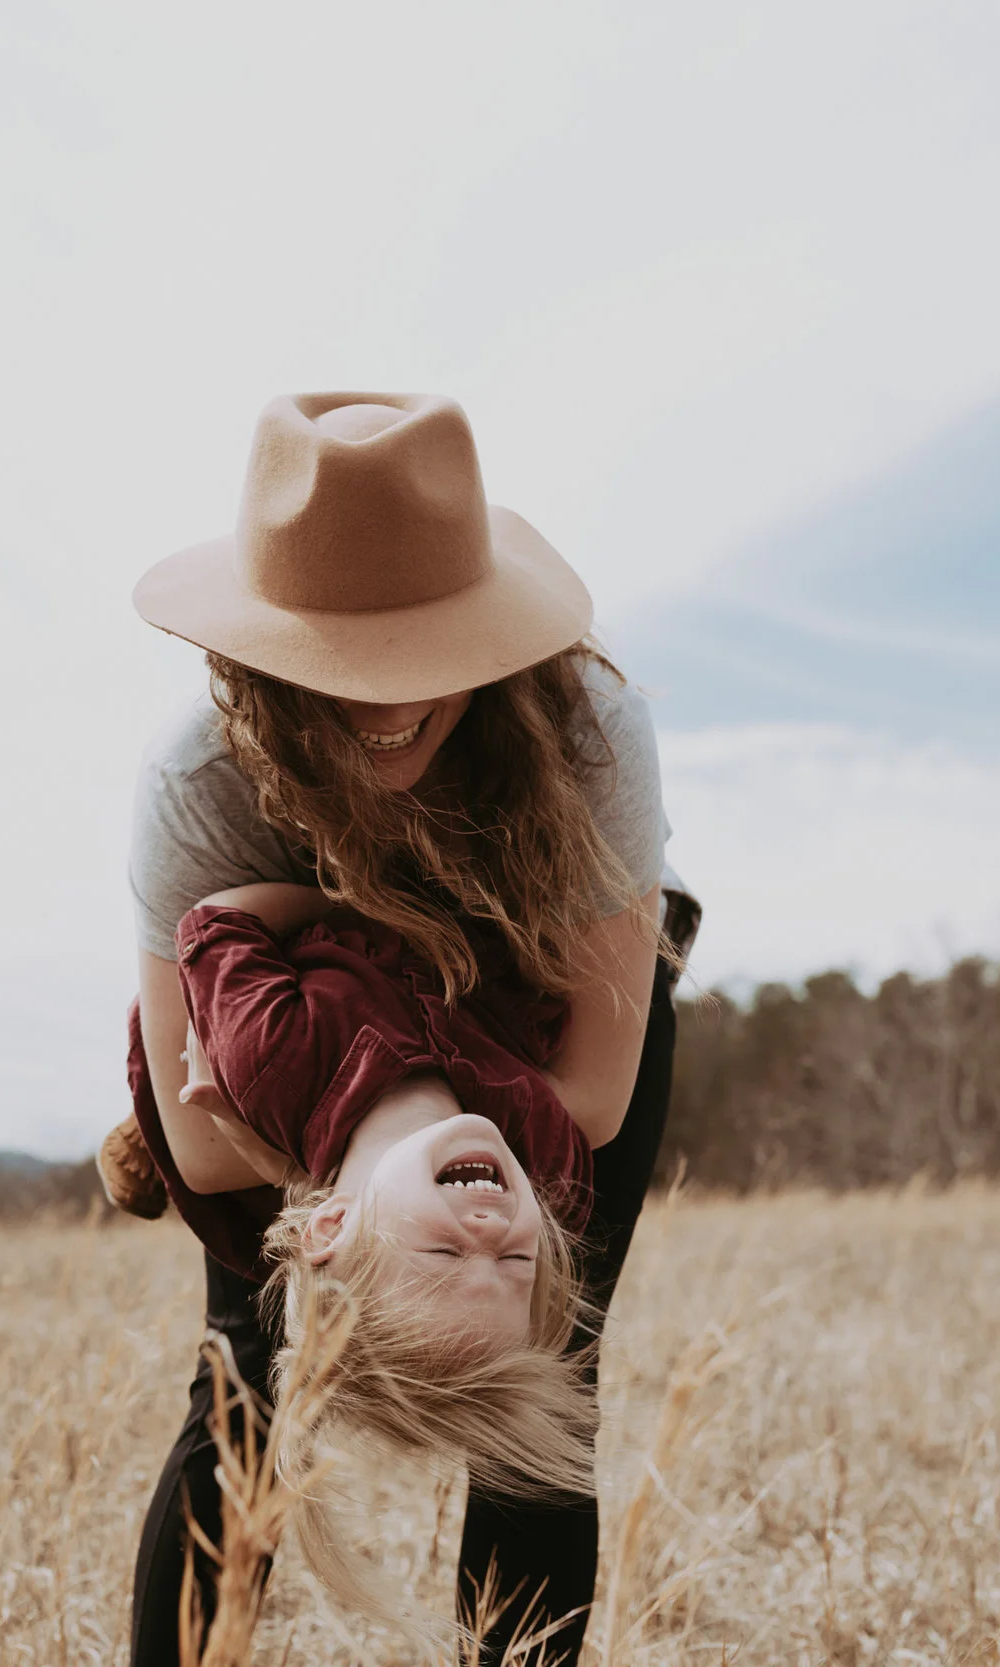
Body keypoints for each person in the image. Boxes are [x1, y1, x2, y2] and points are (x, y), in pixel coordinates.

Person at [108, 391, 699, 1665]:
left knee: (548, 1372)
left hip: (546, 1032)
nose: (383, 697)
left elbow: (591, 1095)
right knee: (246, 1370)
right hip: (319, 1064)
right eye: (333, 659)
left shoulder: (591, 733)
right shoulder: (198, 782)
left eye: (426, 649)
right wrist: (352, 1184)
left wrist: (392, 1080)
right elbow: (200, 1148)